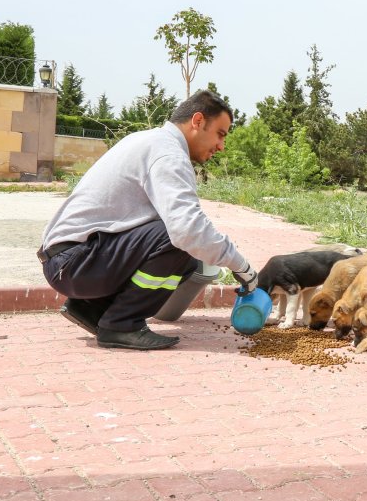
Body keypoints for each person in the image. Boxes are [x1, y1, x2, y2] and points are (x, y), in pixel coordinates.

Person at [38, 90, 258, 350]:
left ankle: (92, 309)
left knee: (186, 255)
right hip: (75, 263)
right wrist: (242, 267)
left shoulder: (149, 140)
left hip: (71, 259)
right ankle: (121, 324)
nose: (221, 146)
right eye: (220, 134)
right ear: (197, 121)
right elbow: (187, 229)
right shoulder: (168, 155)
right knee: (178, 240)